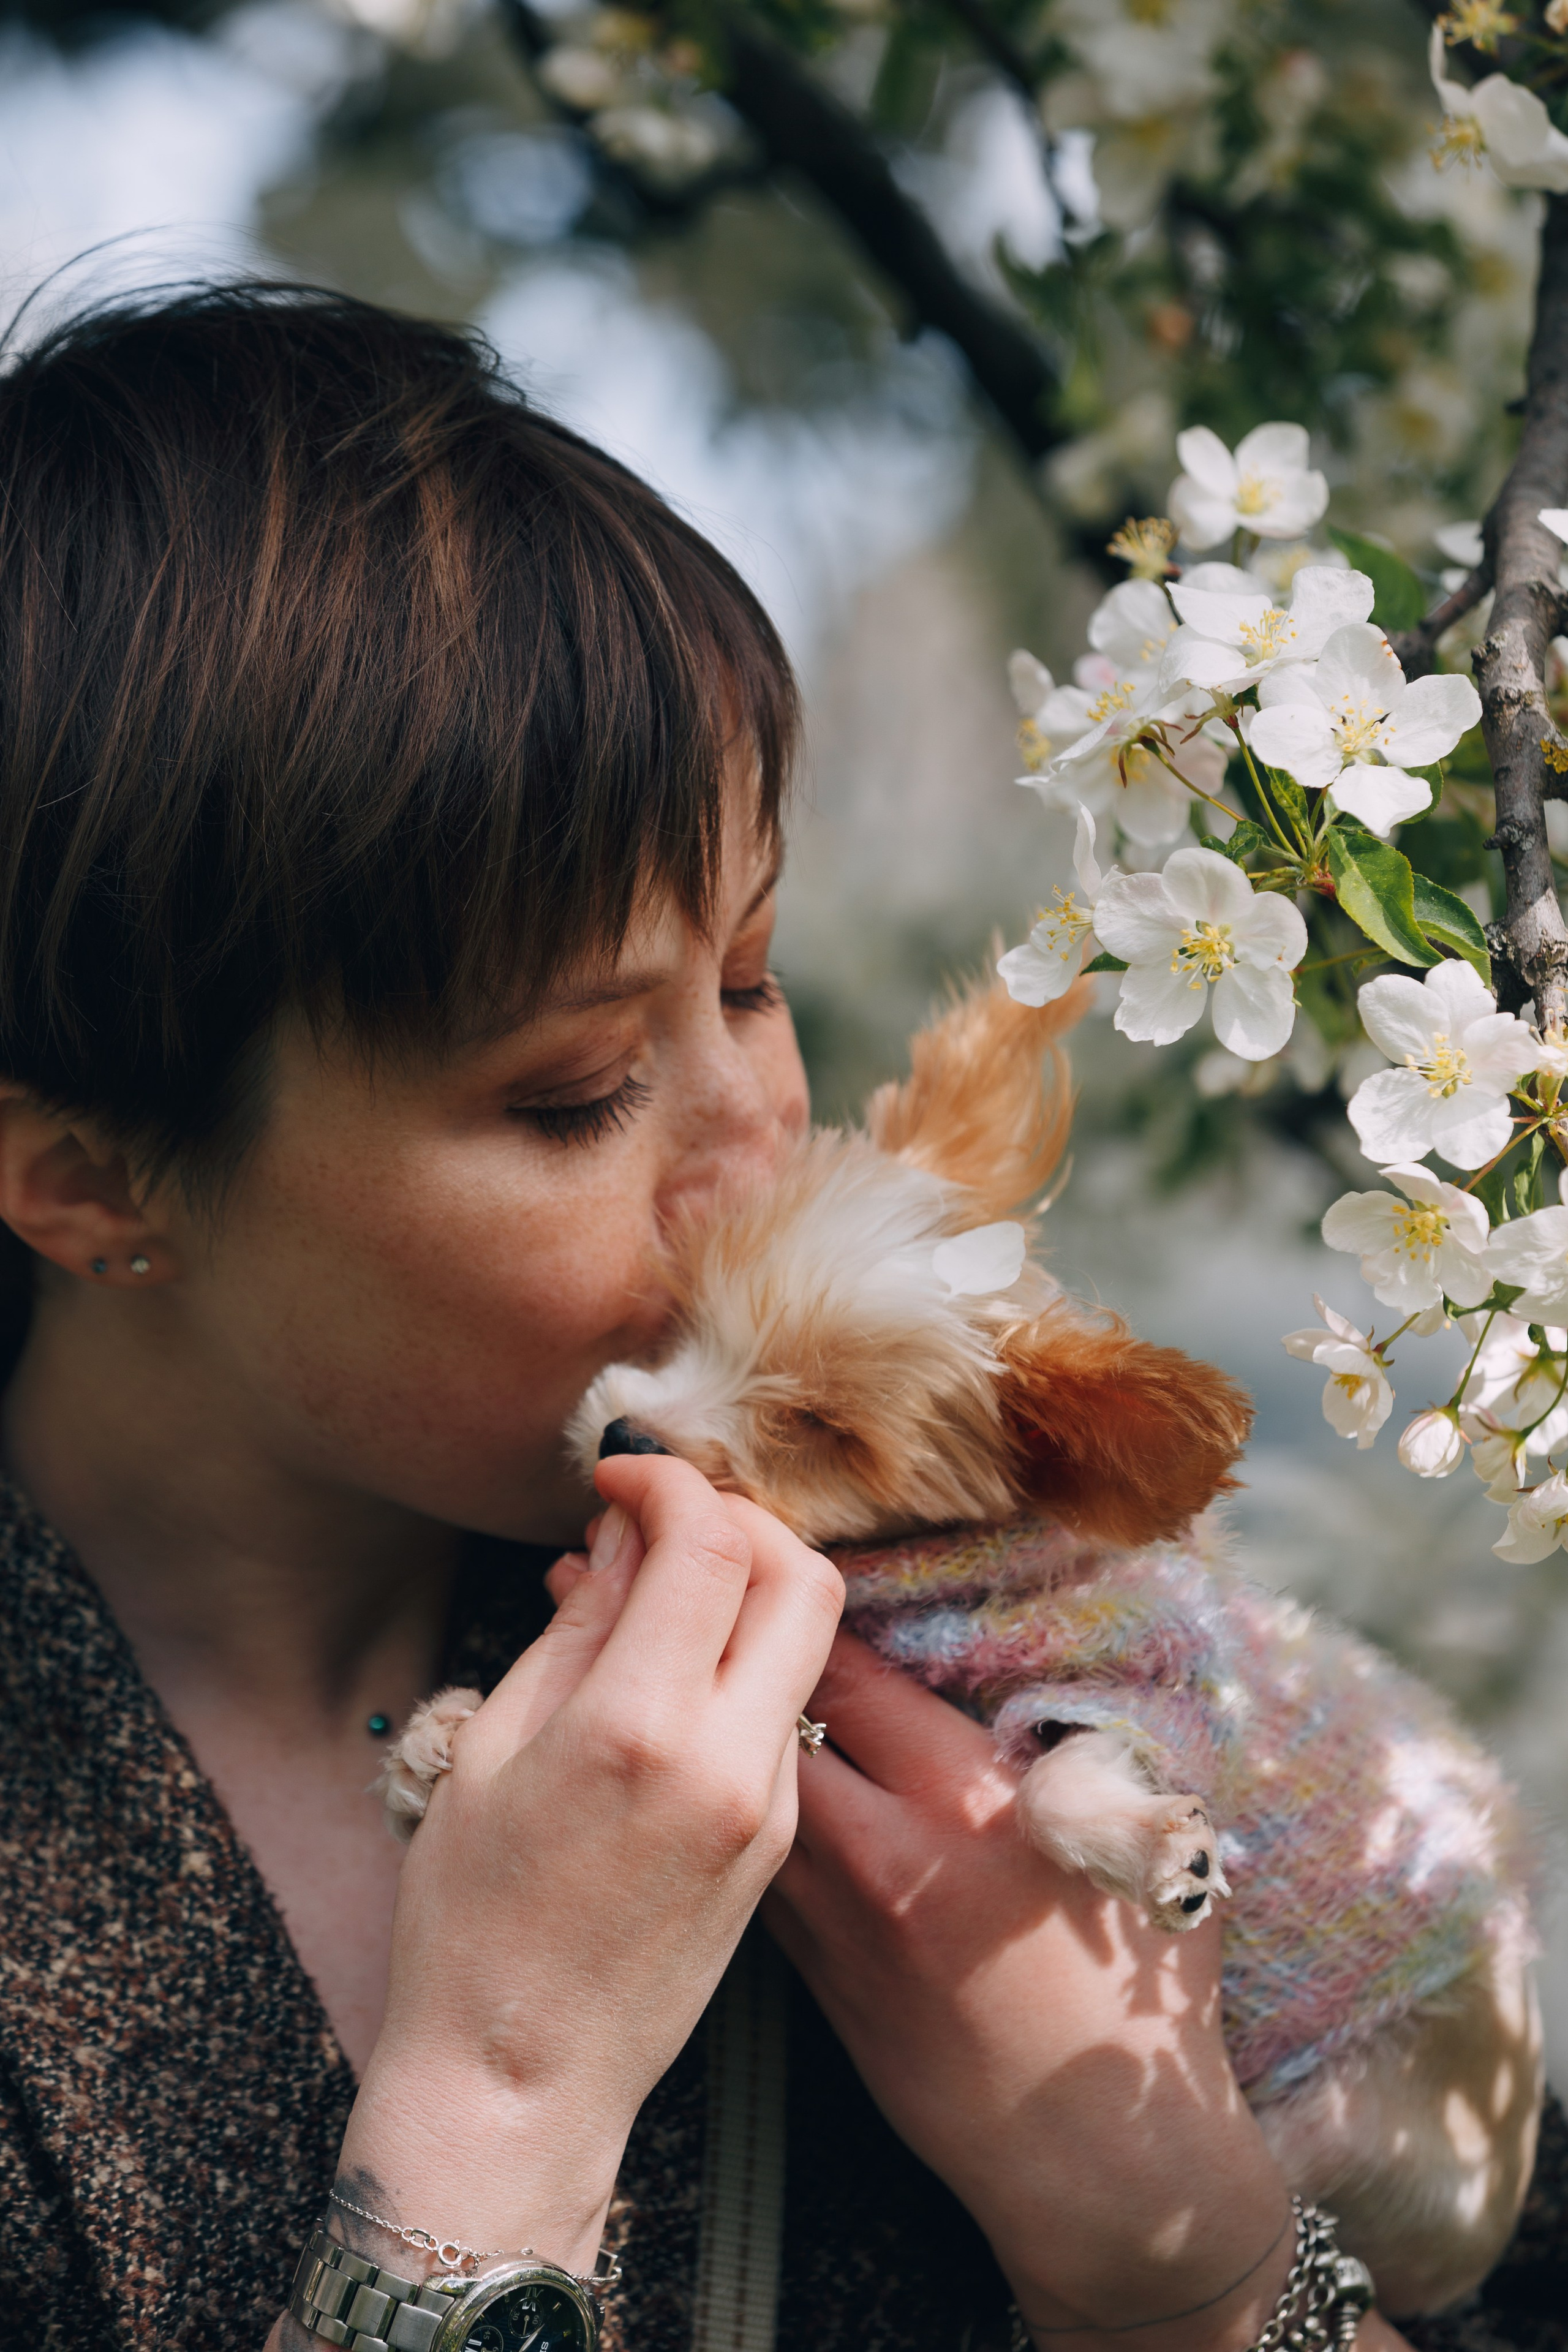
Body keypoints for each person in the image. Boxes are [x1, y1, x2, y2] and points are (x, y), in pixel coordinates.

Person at [0, 281, 1554, 2352]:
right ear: (93, 1181)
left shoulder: (961, 1623)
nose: (757, 1151)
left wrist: (1185, 2261)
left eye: (750, 977)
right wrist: (501, 2109)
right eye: (571, 1093)